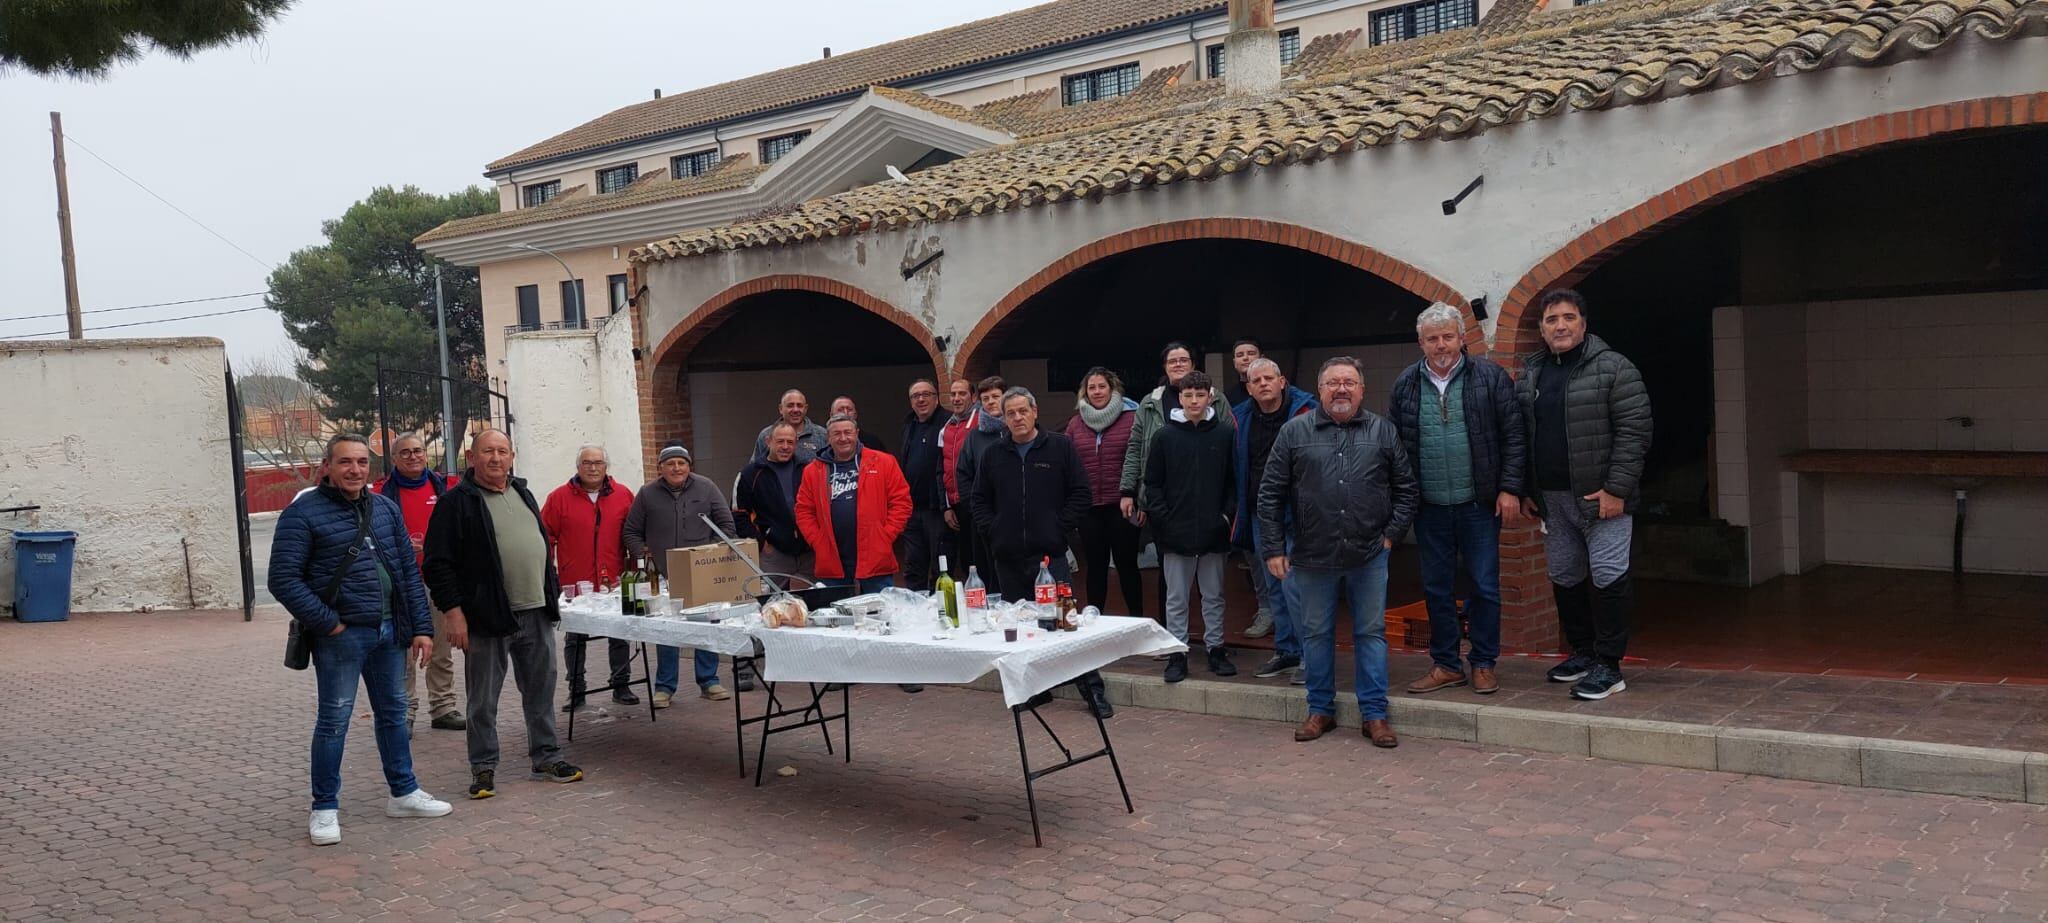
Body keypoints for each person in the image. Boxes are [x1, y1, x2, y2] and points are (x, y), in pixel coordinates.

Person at [271, 434, 452, 845]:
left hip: (389, 633)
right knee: (334, 722)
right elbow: (283, 579)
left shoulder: (384, 508)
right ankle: (324, 808)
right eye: (345, 462)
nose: (355, 470)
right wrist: (328, 623)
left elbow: (408, 572)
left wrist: (421, 627)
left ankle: (403, 793)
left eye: (361, 462)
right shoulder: (303, 514)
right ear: (328, 467)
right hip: (342, 636)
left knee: (393, 714)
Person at [1259, 357, 1418, 748]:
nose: (1341, 389)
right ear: (1320, 390)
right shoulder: (1294, 432)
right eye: (1333, 383)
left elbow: (1407, 489)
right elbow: (1270, 494)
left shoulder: (1383, 431)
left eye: (1349, 382)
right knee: (1315, 634)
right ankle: (1320, 710)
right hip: (1312, 556)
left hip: (1368, 554)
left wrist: (1391, 536)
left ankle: (1375, 715)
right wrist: (1274, 547)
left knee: (1371, 633)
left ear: (1362, 389)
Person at [423, 429, 582, 800]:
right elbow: (437, 564)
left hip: (536, 612)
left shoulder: (523, 493)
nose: (496, 458)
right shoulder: (456, 502)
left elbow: (540, 545)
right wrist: (453, 613)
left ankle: (546, 756)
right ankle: (483, 767)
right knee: (482, 699)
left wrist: (551, 591)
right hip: (486, 616)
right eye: (488, 451)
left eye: (502, 451)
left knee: (541, 690)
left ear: (512, 456)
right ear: (471, 457)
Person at [1516, 289, 1652, 701]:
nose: (1560, 325)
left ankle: (1609, 667)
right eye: (1552, 319)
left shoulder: (1614, 368)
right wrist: (1525, 489)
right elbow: (1522, 436)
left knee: (1609, 578)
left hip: (1602, 500)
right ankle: (1582, 652)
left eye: (1568, 317)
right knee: (1565, 576)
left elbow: (1636, 432)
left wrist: (1616, 489)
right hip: (1552, 500)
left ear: (1583, 323)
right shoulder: (1532, 372)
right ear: (1541, 328)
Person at [1390, 304, 1527, 697]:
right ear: (1421, 343)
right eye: (1432, 338)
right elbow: (1397, 448)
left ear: (1462, 338)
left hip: (1479, 505)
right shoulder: (1406, 385)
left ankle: (1483, 663)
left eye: (1448, 336)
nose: (1441, 345)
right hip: (1429, 506)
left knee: (1484, 586)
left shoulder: (1490, 377)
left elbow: (1513, 436)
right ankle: (1446, 664)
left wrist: (1510, 487)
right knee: (1436, 588)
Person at [972, 386, 1111, 719]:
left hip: (1050, 559)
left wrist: (1058, 529)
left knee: (1064, 627)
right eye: (1010, 413)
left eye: (1023, 411)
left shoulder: (1060, 448)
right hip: (1007, 558)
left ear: (1035, 412)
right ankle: (1034, 690)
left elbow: (1080, 493)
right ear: (1003, 418)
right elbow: (979, 500)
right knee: (1021, 630)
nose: (1017, 418)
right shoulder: (993, 454)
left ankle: (1093, 692)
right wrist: (995, 531)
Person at [795, 414, 921, 694]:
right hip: (833, 556)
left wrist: (885, 536)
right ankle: (843, 670)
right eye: (837, 433)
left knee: (886, 613)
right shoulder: (814, 470)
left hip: (874, 553)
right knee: (837, 617)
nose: (843, 438)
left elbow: (902, 501)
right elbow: (803, 510)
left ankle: (900, 670)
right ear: (828, 438)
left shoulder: (882, 462)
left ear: (857, 433)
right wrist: (818, 541)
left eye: (848, 432)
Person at [623, 443, 740, 704]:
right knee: (666, 630)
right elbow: (631, 531)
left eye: (682, 463)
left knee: (706, 625)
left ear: (689, 466)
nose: (677, 468)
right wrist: (643, 555)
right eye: (670, 463)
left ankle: (709, 681)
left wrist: (708, 554)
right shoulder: (647, 494)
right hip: (664, 575)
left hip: (701, 574)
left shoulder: (706, 487)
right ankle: (665, 687)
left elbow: (726, 527)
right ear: (660, 467)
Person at [1141, 371, 1237, 682]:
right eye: (1188, 395)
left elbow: (1233, 483)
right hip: (1175, 531)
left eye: (1200, 394)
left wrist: (1225, 517)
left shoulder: (1224, 434)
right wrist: (1164, 519)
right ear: (1179, 398)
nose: (1194, 401)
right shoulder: (1165, 436)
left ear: (1210, 396)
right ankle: (1177, 652)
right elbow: (1152, 484)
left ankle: (1216, 649)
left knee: (1213, 594)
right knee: (1176, 597)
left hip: (1214, 530)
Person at [1230, 358, 1317, 680]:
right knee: (1273, 589)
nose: (1264, 384)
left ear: (1282, 382)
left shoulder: (1307, 413)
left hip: (1298, 515)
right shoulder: (1240, 419)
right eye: (1257, 380)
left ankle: (1311, 657)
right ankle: (1287, 650)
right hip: (1259, 514)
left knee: (1296, 588)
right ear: (1249, 388)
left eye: (1270, 378)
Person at [373, 432, 462, 733]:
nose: (413, 457)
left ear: (426, 454)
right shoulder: (380, 494)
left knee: (440, 648)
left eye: (418, 451)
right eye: (405, 452)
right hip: (400, 581)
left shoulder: (445, 487)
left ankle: (444, 707)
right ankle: (405, 711)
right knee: (404, 650)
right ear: (395, 459)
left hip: (437, 578)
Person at [540, 444, 637, 711]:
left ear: (607, 467)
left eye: (598, 463)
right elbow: (545, 535)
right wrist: (550, 569)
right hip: (576, 580)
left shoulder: (623, 495)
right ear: (578, 467)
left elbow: (633, 533)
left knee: (619, 632)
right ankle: (577, 689)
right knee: (575, 637)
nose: (592, 468)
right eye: (586, 463)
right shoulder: (559, 498)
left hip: (614, 577)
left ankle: (621, 684)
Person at [1062, 367, 1143, 615]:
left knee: (1126, 565)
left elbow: (1140, 459)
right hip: (1089, 509)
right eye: (1092, 387)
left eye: (1102, 386)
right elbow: (1067, 464)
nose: (1097, 392)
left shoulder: (1132, 418)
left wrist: (1139, 498)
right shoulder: (1075, 424)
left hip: (1122, 505)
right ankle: (1096, 622)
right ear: (1085, 392)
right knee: (1095, 567)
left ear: (1113, 388)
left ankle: (1136, 620)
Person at [951, 375, 1011, 597]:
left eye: (996, 396)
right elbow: (963, 473)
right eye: (985, 398)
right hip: (983, 518)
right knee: (986, 569)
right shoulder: (975, 436)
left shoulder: (1016, 430)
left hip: (1015, 515)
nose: (991, 402)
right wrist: (974, 507)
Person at [735, 422, 814, 588]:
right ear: (768, 441)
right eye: (780, 441)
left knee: (812, 604)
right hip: (774, 555)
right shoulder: (750, 474)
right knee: (775, 606)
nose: (785, 447)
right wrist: (762, 544)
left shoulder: (808, 469)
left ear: (796, 443)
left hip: (809, 554)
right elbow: (739, 514)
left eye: (790, 442)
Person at [897, 380, 950, 592]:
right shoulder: (909, 425)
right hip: (913, 509)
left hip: (937, 510)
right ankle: (915, 614)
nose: (921, 399)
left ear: (936, 397)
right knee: (913, 567)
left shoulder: (947, 423)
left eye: (926, 394)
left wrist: (947, 506)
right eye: (915, 396)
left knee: (941, 568)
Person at [750, 389, 829, 464]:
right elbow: (755, 468)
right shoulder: (766, 434)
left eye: (799, 405)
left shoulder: (822, 435)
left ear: (805, 409)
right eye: (790, 405)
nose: (795, 410)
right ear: (781, 409)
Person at [1224, 337, 1262, 412]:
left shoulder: (1274, 389)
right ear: (1234, 363)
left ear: (1262, 358)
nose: (1245, 358)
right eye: (1240, 355)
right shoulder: (1227, 397)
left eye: (1251, 353)